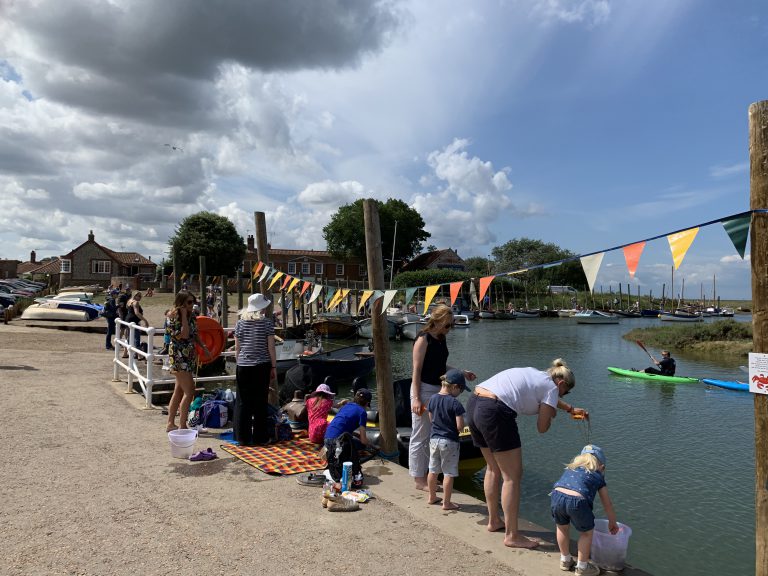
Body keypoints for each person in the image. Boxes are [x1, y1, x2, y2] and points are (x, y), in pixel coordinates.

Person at [467, 359, 588, 549]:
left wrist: (570, 409)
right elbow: (542, 427)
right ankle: (512, 536)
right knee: (512, 478)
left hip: (475, 403)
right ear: (561, 384)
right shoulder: (552, 389)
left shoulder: (539, 375)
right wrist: (550, 416)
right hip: (495, 412)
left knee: (492, 469)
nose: (562, 395)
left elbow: (548, 397)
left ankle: (494, 521)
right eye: (565, 392)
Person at [410, 304, 476, 491]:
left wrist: (461, 372)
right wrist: (415, 398)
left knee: (433, 432)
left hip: (437, 388)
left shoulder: (440, 338)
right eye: (447, 325)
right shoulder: (423, 339)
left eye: (451, 326)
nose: (449, 329)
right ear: (437, 321)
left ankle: (428, 475)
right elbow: (416, 370)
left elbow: (440, 365)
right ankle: (419, 479)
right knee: (420, 434)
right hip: (422, 389)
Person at [551, 445, 619, 576]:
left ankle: (565, 560)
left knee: (561, 528)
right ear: (602, 466)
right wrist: (612, 522)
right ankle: (582, 567)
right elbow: (607, 504)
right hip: (577, 501)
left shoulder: (570, 468)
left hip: (556, 495)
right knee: (587, 533)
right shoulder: (598, 476)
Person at [233, 293, 276, 446]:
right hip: (261, 365)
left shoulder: (240, 323)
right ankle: (260, 438)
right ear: (262, 308)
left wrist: (240, 363)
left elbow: (237, 348)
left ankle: (242, 437)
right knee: (260, 402)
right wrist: (273, 366)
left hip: (243, 365)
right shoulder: (267, 323)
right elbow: (271, 347)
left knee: (243, 403)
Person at [166, 291, 210, 432]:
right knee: (190, 391)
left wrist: (204, 347)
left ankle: (170, 423)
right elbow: (184, 334)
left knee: (178, 391)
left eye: (193, 302)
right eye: (189, 302)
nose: (192, 305)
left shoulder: (192, 316)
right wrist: (184, 315)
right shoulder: (173, 316)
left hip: (188, 356)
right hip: (179, 357)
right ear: (182, 303)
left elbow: (194, 334)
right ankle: (182, 424)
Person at [426, 369, 468, 511]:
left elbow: (431, 419)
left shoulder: (432, 399)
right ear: (455, 386)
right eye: (461, 390)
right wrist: (458, 429)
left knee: (433, 470)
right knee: (449, 473)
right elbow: (460, 426)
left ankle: (432, 497)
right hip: (449, 441)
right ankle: (446, 503)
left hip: (434, 440)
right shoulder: (455, 404)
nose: (460, 393)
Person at [323, 388, 372, 487]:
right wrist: (371, 445)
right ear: (367, 403)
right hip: (337, 443)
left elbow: (342, 426)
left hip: (326, 439)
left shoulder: (347, 405)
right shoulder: (362, 412)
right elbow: (363, 440)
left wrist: (354, 434)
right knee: (362, 446)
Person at [124, 291, 147, 358]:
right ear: (135, 295)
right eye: (139, 296)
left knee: (129, 337)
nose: (140, 298)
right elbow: (137, 313)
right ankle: (139, 355)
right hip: (133, 321)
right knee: (136, 337)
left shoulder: (129, 301)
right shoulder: (135, 302)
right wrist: (145, 320)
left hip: (128, 320)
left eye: (141, 296)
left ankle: (131, 352)